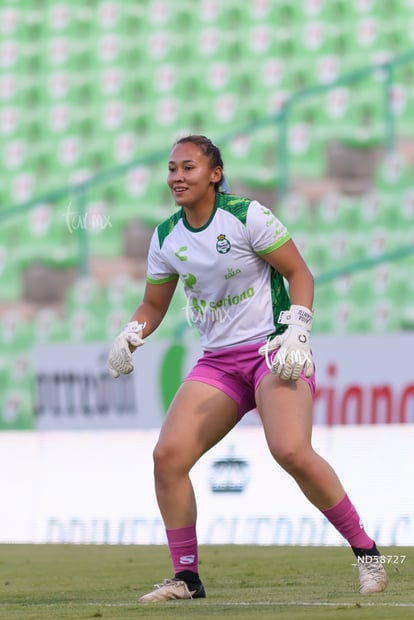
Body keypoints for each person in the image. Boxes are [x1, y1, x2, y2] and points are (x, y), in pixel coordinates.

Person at [107, 135, 388, 602]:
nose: (178, 177)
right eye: (172, 169)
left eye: (189, 168)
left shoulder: (246, 216)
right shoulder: (166, 237)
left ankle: (368, 554)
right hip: (218, 362)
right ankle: (187, 578)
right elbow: (153, 304)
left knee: (292, 451)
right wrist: (131, 331)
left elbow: (301, 274)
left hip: (271, 351)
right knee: (167, 458)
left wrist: (299, 328)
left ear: (214, 174)